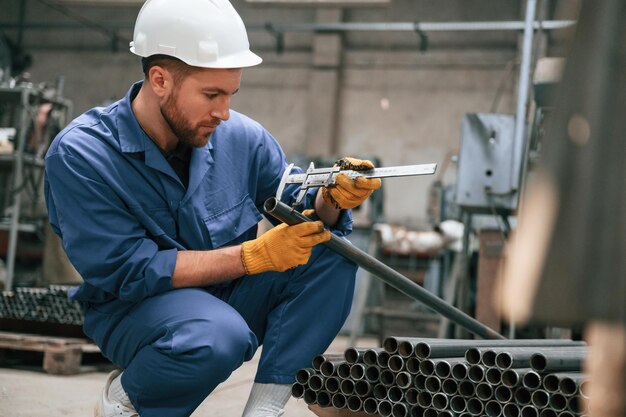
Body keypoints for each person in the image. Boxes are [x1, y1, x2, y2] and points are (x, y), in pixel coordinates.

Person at [43, 1, 381, 416]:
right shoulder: (83, 154)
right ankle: (128, 398)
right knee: (215, 336)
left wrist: (329, 199)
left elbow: (299, 209)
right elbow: (131, 270)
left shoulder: (242, 138)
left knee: (331, 254)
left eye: (231, 94)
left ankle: (264, 410)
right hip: (135, 309)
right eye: (211, 95)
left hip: (224, 297)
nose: (223, 112)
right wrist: (251, 256)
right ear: (160, 79)